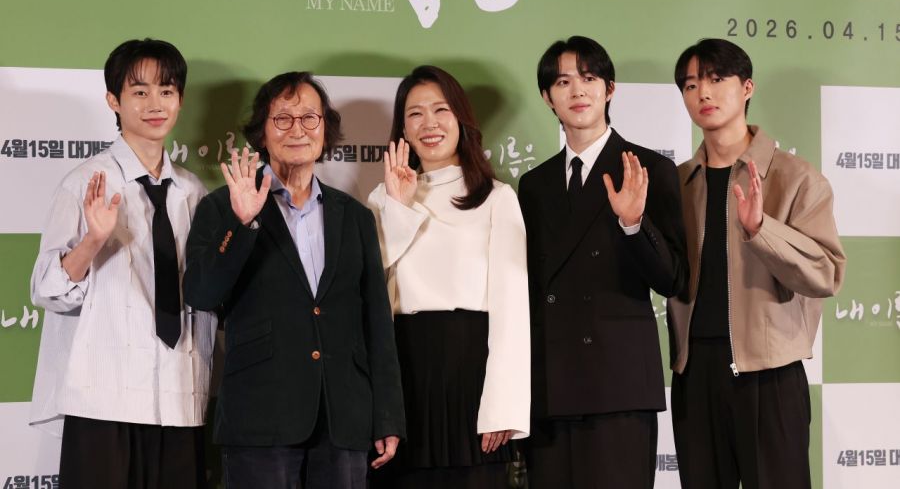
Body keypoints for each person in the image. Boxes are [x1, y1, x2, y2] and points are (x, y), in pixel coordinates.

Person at [183, 71, 405, 489]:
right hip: (261, 418)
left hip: (343, 421)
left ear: (325, 130)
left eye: (309, 118)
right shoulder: (223, 207)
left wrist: (387, 414)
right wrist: (242, 222)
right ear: (262, 133)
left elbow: (376, 320)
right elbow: (201, 293)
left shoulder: (354, 216)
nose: (298, 130)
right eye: (283, 119)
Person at [29, 38, 215, 489]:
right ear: (113, 100)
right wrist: (93, 240)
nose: (156, 104)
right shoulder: (86, 183)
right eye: (140, 91)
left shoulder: (195, 194)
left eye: (167, 91)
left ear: (181, 100)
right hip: (103, 403)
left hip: (179, 397)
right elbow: (46, 291)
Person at [667, 38, 846, 489]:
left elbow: (827, 273)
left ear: (747, 87)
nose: (702, 93)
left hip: (770, 375)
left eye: (715, 79)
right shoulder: (678, 184)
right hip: (695, 375)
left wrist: (760, 230)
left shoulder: (795, 177)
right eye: (690, 85)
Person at [517, 35, 688, 488]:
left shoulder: (648, 168)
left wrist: (633, 224)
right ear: (547, 97)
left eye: (589, 78)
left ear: (609, 89)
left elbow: (673, 279)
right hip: (549, 386)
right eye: (563, 82)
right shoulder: (534, 185)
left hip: (618, 385)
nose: (577, 91)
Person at [367, 65, 530, 489]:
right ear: (402, 127)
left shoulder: (496, 198)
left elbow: (513, 311)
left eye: (441, 110)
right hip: (401, 376)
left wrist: (502, 407)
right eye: (415, 114)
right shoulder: (380, 197)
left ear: (462, 119)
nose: (429, 123)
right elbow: (367, 285)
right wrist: (399, 206)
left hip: (470, 380)